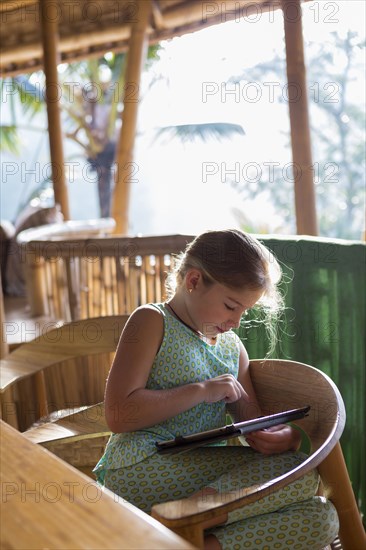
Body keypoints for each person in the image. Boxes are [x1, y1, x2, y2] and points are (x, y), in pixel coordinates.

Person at [94, 229, 339, 549]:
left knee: (321, 518)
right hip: (140, 467)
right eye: (230, 306)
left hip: (205, 477)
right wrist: (200, 390)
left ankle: (178, 537)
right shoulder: (152, 321)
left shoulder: (232, 348)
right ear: (193, 281)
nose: (236, 321)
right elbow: (117, 415)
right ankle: (182, 523)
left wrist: (283, 437)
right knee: (298, 474)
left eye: (244, 311)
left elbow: (252, 421)